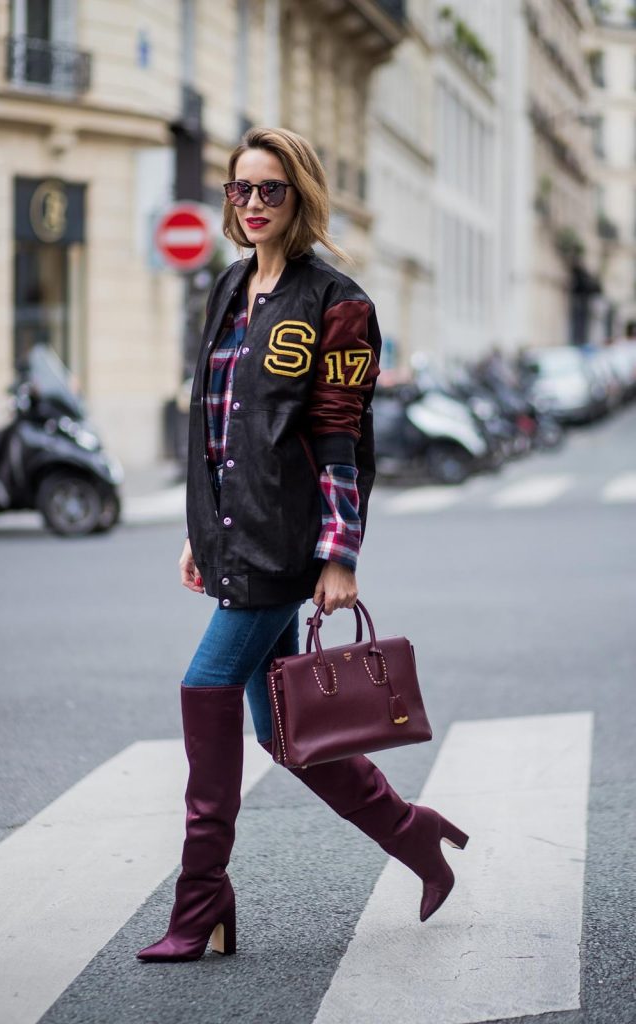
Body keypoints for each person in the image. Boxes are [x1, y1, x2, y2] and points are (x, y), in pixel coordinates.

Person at [136, 127, 468, 964]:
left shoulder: (338, 303)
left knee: (204, 688)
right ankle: (413, 834)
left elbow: (340, 439)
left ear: (302, 196)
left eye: (269, 190)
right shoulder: (227, 288)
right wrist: (198, 529)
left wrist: (340, 554)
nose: (251, 205)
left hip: (286, 544)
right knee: (284, 731)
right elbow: (216, 428)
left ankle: (200, 899)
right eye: (239, 190)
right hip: (231, 535)